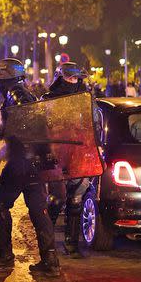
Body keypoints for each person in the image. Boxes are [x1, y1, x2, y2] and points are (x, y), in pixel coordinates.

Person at [0, 58, 60, 277]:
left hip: (20, 164)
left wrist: (4, 137)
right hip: (34, 163)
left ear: (4, 78)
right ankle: (50, 260)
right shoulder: (26, 94)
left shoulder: (15, 96)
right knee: (38, 211)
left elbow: (22, 131)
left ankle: (4, 257)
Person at [42, 62, 90, 258]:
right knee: (57, 198)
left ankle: (71, 244)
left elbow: (92, 127)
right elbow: (40, 127)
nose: (73, 82)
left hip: (77, 155)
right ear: (60, 79)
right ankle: (46, 244)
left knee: (76, 199)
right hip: (55, 156)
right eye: (69, 78)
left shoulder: (85, 102)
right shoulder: (47, 101)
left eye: (76, 79)